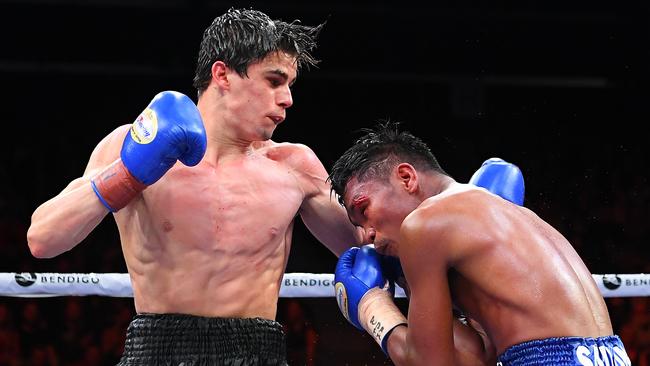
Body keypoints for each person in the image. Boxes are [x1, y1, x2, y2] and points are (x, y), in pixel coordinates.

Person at [26, 7, 365, 365]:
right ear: (223, 74)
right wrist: (128, 173)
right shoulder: (129, 144)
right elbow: (43, 240)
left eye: (289, 86)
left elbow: (367, 248)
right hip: (157, 350)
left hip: (258, 352)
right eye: (274, 81)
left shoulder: (294, 166)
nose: (287, 99)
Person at [329, 122, 632, 366]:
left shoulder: (423, 225)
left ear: (407, 177)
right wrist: (406, 279)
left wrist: (373, 309)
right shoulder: (512, 214)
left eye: (364, 209)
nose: (366, 234)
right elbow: (477, 355)